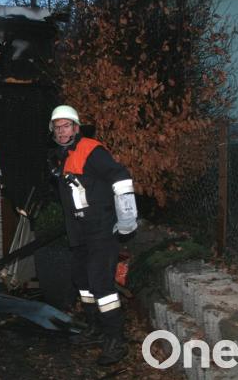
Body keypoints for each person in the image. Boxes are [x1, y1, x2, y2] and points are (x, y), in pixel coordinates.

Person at [47, 104, 138, 366]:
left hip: (100, 229)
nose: (61, 131)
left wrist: (127, 217)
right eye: (57, 127)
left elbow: (120, 177)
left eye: (66, 126)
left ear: (76, 128)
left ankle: (116, 341)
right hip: (80, 231)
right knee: (82, 280)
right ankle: (95, 328)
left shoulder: (91, 150)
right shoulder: (62, 155)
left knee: (101, 285)